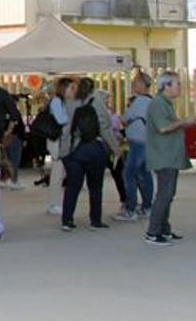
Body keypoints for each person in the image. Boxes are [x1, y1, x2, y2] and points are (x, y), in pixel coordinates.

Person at [144, 72, 196, 246]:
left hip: (170, 155)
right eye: (177, 84)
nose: (179, 87)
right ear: (166, 86)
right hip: (163, 155)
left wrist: (186, 123)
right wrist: (185, 122)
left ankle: (163, 229)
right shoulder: (158, 103)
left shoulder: (166, 103)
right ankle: (153, 232)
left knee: (168, 194)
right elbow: (163, 128)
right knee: (164, 194)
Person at [60, 78, 112, 231]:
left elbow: (62, 125)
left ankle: (67, 220)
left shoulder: (69, 102)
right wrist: (114, 147)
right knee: (95, 186)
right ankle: (95, 221)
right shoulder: (96, 102)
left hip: (72, 150)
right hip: (93, 148)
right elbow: (105, 126)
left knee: (72, 186)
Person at [115, 72, 154, 222]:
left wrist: (121, 119)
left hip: (137, 143)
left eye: (135, 82)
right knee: (145, 175)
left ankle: (130, 209)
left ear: (143, 85)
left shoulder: (139, 101)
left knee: (128, 174)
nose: (133, 85)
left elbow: (125, 119)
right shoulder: (152, 101)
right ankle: (147, 207)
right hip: (147, 142)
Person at [45, 77, 77, 215]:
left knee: (60, 172)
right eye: (71, 88)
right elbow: (61, 119)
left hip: (61, 141)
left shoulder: (62, 101)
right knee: (57, 173)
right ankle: (54, 203)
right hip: (56, 141)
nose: (73, 91)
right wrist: (72, 117)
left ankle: (56, 203)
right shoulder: (57, 101)